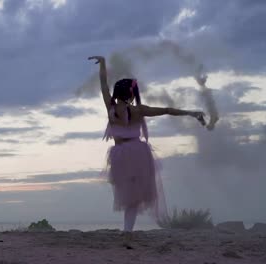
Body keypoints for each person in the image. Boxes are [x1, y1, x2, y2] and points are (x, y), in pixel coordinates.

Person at [88, 55, 206, 232]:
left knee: (129, 197)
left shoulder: (110, 108)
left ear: (117, 93)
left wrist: (103, 63)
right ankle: (128, 231)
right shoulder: (138, 110)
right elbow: (166, 110)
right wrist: (191, 113)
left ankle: (128, 231)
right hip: (137, 152)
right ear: (131, 95)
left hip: (120, 153)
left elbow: (103, 84)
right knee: (133, 197)